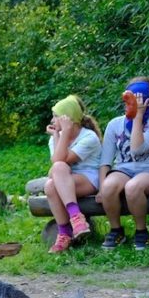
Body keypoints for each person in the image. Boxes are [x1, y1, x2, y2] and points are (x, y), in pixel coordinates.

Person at [97, 77, 149, 250]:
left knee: (133, 187)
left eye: (137, 100)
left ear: (147, 101)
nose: (131, 104)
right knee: (108, 186)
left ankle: (142, 232)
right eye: (129, 100)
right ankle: (116, 230)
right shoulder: (114, 124)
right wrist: (101, 187)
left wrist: (137, 117)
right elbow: (106, 160)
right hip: (124, 169)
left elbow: (137, 150)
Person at [42, 95, 103, 253]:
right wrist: (57, 135)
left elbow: (62, 160)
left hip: (88, 179)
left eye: (56, 116)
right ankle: (67, 230)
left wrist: (66, 131)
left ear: (68, 119)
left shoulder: (89, 137)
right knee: (50, 185)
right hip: (64, 180)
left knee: (59, 168)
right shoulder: (57, 137)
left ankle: (73, 222)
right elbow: (57, 162)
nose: (52, 120)